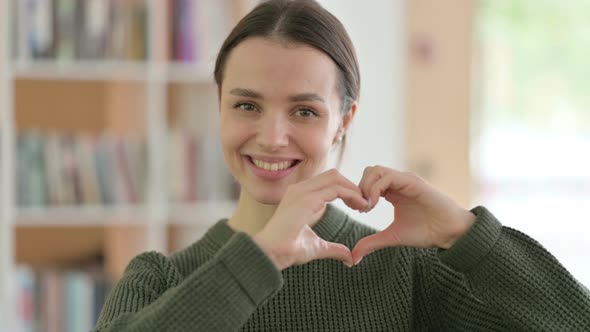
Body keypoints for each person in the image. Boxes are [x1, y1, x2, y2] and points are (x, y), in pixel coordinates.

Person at [93, 0, 590, 331]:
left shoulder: (404, 275)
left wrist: (464, 235)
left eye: (305, 111)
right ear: (219, 103)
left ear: (344, 120)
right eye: (247, 105)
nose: (272, 136)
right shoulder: (157, 280)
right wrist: (257, 259)